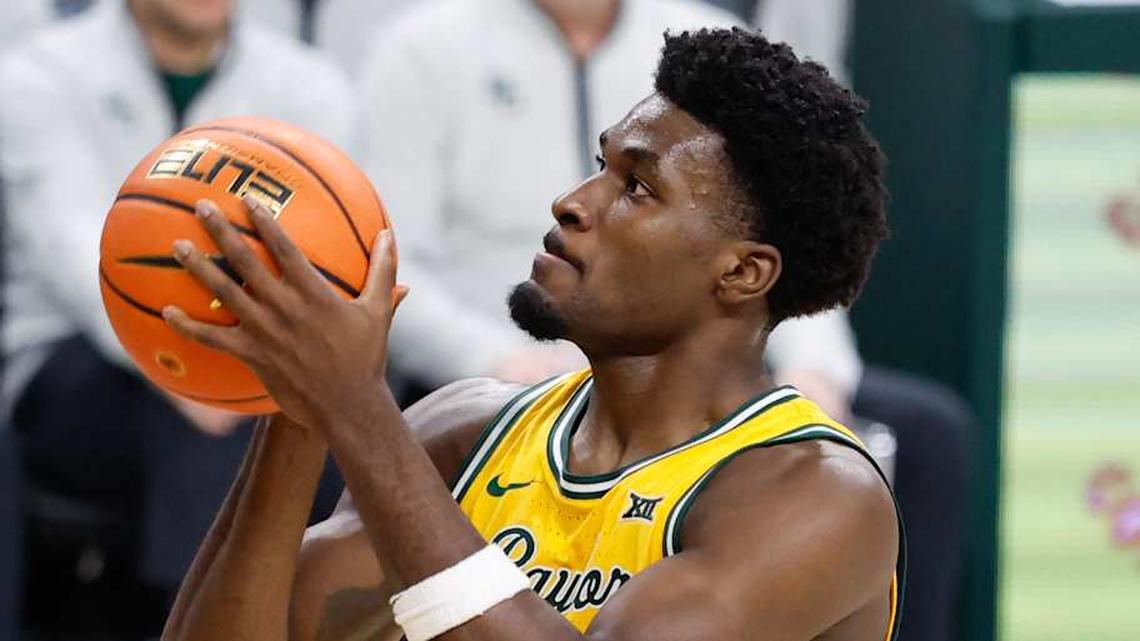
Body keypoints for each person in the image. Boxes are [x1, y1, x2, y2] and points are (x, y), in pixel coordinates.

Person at [159, 27, 904, 641]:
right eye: (598, 167)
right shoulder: (465, 430)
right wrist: (300, 411)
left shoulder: (817, 498)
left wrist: (357, 410)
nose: (574, 201)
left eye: (636, 187)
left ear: (743, 272)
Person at [0, 0, 352, 618]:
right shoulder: (37, 75)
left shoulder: (309, 84)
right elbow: (72, 243)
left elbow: (335, 256)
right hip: (78, 361)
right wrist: (188, 353)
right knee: (202, 417)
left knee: (335, 406)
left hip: (259, 343)